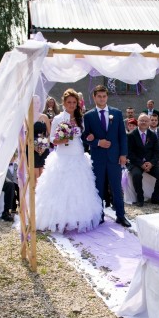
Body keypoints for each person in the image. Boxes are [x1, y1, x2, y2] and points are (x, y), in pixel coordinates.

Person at [35, 88, 103, 232]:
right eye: (69, 102)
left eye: (74, 102)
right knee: (60, 188)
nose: (72, 105)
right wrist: (60, 140)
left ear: (77, 103)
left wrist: (90, 137)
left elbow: (84, 136)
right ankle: (59, 219)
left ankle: (78, 218)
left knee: (78, 188)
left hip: (77, 154)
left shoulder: (81, 118)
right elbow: (52, 137)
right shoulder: (59, 118)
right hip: (62, 156)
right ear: (64, 103)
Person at [82, 85, 131, 227]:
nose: (102, 99)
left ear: (107, 97)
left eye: (104, 96)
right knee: (99, 188)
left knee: (116, 187)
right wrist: (97, 142)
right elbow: (85, 137)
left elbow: (122, 135)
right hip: (98, 158)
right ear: (94, 97)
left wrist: (123, 154)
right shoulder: (88, 116)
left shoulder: (116, 113)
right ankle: (99, 215)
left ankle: (121, 216)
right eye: (99, 96)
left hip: (115, 157)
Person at [127, 113, 159, 207]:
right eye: (141, 120)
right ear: (138, 122)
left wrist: (151, 163)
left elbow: (157, 152)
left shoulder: (152, 135)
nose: (144, 122)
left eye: (146, 120)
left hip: (150, 162)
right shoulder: (131, 135)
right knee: (136, 175)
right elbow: (129, 153)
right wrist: (141, 164)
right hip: (136, 162)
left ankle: (155, 197)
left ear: (149, 122)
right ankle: (140, 198)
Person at [33, 111, 51, 178]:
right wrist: (34, 146)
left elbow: (49, 134)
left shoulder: (45, 117)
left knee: (43, 174)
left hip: (44, 147)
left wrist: (44, 146)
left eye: (38, 102)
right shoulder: (28, 116)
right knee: (35, 176)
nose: (36, 104)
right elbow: (25, 134)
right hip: (32, 148)